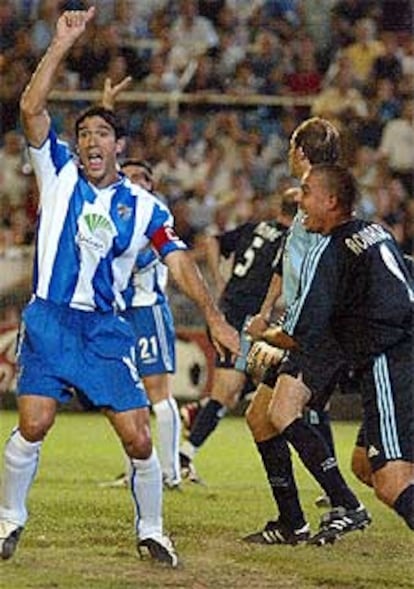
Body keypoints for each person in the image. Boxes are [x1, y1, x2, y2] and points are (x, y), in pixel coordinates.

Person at [0, 8, 239, 566]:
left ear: (117, 145)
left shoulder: (143, 206)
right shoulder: (55, 171)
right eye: (83, 134)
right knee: (33, 422)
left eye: (101, 134)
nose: (89, 142)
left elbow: (177, 260)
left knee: (137, 436)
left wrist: (214, 315)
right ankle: (9, 519)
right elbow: (31, 107)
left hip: (106, 331)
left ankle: (152, 530)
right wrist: (60, 45)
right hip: (52, 318)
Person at [257, 163, 414, 539]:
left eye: (306, 192)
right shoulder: (376, 231)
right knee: (363, 465)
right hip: (400, 350)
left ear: (330, 201)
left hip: (392, 360)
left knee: (392, 481)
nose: (300, 200)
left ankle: (315, 516)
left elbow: (302, 334)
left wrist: (263, 334)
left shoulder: (332, 251)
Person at [244, 117, 368, 545]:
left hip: (320, 331)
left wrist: (277, 331)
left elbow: (326, 274)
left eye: (292, 147)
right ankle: (292, 522)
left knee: (282, 414)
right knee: (261, 419)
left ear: (299, 152)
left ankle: (347, 504)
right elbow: (285, 263)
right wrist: (266, 312)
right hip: (305, 325)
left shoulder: (322, 209)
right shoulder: (307, 206)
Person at [179, 189, 297, 482]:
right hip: (241, 320)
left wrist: (220, 280)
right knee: (228, 390)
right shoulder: (289, 240)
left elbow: (213, 241)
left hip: (229, 311)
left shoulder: (255, 226)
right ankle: (183, 457)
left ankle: (198, 413)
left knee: (260, 378)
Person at [99, 159, 183, 490]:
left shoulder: (155, 214)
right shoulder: (111, 212)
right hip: (118, 314)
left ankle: (171, 472)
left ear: (151, 184)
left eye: (140, 177)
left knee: (158, 394)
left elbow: (143, 256)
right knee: (124, 396)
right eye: (127, 177)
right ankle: (134, 470)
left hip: (148, 310)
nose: (133, 182)